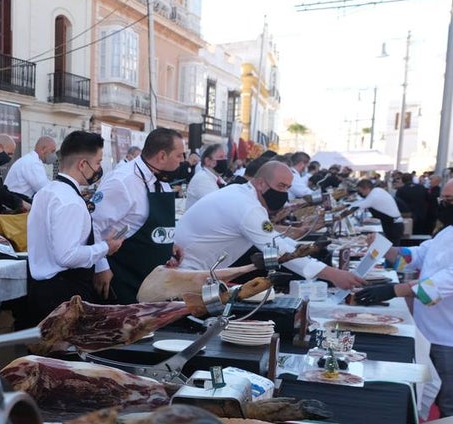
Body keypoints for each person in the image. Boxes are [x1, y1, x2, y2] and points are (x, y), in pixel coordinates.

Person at [175, 161, 366, 289]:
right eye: (280, 187)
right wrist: (333, 275)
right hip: (186, 275)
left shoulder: (241, 193)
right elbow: (279, 251)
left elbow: (273, 237)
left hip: (196, 271)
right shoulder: (247, 207)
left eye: (287, 188)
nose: (283, 193)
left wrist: (308, 250)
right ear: (260, 183)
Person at [352, 180, 453, 416]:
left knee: (448, 403)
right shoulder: (447, 232)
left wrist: (395, 290)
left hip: (448, 338)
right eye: (443, 200)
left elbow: (445, 281)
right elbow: (418, 255)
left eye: (450, 201)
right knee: (427, 391)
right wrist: (387, 250)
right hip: (426, 329)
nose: (445, 206)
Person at [26, 131, 123, 324]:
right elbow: (67, 256)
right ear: (82, 164)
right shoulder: (69, 201)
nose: (98, 169)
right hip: (63, 293)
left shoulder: (46, 192)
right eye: (97, 162)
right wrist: (106, 247)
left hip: (41, 288)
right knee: (63, 353)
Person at [90, 127, 187, 303]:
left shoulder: (162, 182)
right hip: (124, 278)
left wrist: (168, 244)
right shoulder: (122, 181)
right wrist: (101, 267)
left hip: (154, 283)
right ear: (162, 156)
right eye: (179, 155)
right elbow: (93, 225)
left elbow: (136, 223)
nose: (183, 161)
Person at [350, 178, 405, 245]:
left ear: (366, 188)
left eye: (362, 191)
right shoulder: (378, 190)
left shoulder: (373, 196)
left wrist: (339, 216)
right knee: (389, 247)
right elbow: (360, 202)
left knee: (391, 249)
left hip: (394, 226)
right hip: (394, 223)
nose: (362, 194)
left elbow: (356, 207)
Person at [3, 136, 56, 201]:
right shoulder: (33, 163)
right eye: (52, 151)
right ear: (43, 149)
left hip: (15, 201)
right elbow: (44, 189)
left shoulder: (31, 160)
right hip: (15, 205)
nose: (54, 155)